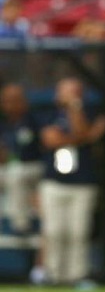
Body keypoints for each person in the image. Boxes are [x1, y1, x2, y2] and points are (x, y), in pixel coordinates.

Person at [37, 78, 105, 286]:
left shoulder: (91, 112)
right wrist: (86, 138)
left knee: (79, 232)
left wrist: (75, 112)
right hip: (54, 182)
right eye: (64, 92)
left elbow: (81, 131)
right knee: (54, 231)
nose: (68, 96)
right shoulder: (48, 114)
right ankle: (53, 275)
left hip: (82, 182)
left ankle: (77, 275)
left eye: (73, 92)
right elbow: (52, 140)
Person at [0, 83, 44, 235]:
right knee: (13, 173)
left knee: (16, 174)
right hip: (8, 167)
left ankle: (20, 225)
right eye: (6, 101)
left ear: (24, 101)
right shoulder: (4, 124)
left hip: (34, 166)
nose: (10, 105)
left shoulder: (35, 120)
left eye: (15, 100)